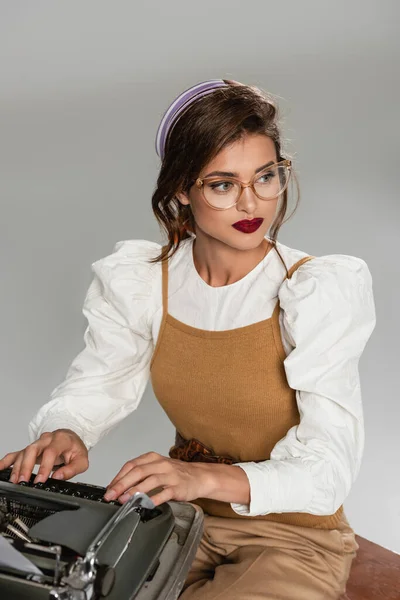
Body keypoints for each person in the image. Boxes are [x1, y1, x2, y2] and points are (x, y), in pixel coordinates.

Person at [0, 79, 376, 599]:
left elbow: (329, 470)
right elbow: (103, 378)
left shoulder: (314, 291)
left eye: (265, 177)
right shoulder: (144, 280)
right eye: (222, 184)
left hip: (293, 538)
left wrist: (199, 479)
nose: (252, 201)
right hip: (181, 521)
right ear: (181, 189)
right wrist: (68, 430)